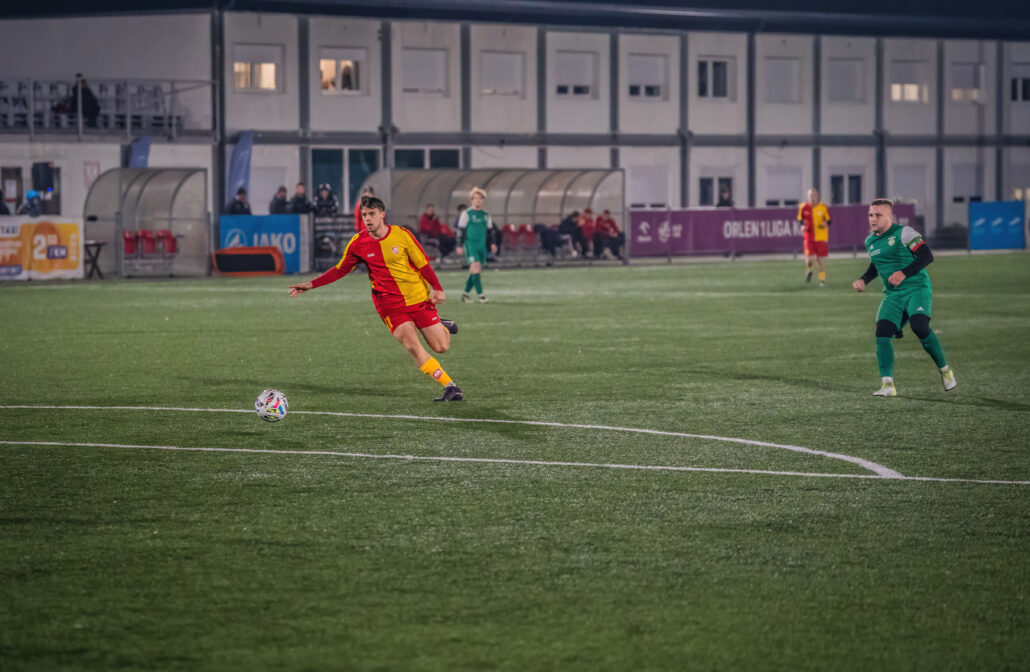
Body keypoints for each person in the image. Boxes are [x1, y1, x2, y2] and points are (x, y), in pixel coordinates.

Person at [288, 194, 463, 402]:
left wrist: (438, 288)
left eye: (371, 214)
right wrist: (311, 284)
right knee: (412, 346)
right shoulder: (358, 243)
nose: (368, 219)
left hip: (418, 298)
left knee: (441, 346)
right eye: (364, 215)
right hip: (390, 306)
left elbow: (422, 264)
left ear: (382, 214)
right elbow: (340, 270)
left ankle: (441, 324)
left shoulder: (402, 235)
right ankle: (449, 386)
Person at [852, 198, 956, 397]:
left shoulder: (904, 233)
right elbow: (876, 264)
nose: (873, 218)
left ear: (890, 217)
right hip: (893, 295)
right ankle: (888, 385)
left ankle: (945, 370)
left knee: (919, 326)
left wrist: (904, 273)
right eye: (870, 215)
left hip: (917, 289)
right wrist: (864, 280)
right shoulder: (870, 241)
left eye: (878, 215)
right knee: (882, 331)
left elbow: (927, 256)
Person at [457, 187, 497, 304]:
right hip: (470, 244)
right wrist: (459, 244)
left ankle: (465, 294)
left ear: (483, 200)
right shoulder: (467, 213)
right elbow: (461, 230)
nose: (478, 200)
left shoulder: (486, 215)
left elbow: (490, 231)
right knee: (476, 266)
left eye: (480, 198)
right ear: (471, 200)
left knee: (474, 270)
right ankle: (481, 296)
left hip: (481, 245)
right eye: (475, 198)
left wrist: (493, 243)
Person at [798, 188, 831, 286]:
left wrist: (825, 224)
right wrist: (802, 226)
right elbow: (800, 219)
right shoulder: (803, 207)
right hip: (808, 236)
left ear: (817, 196)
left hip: (821, 237)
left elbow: (829, 221)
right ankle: (810, 269)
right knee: (809, 259)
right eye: (810, 196)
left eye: (814, 195)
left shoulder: (823, 207)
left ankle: (822, 279)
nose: (812, 197)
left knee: (819, 259)